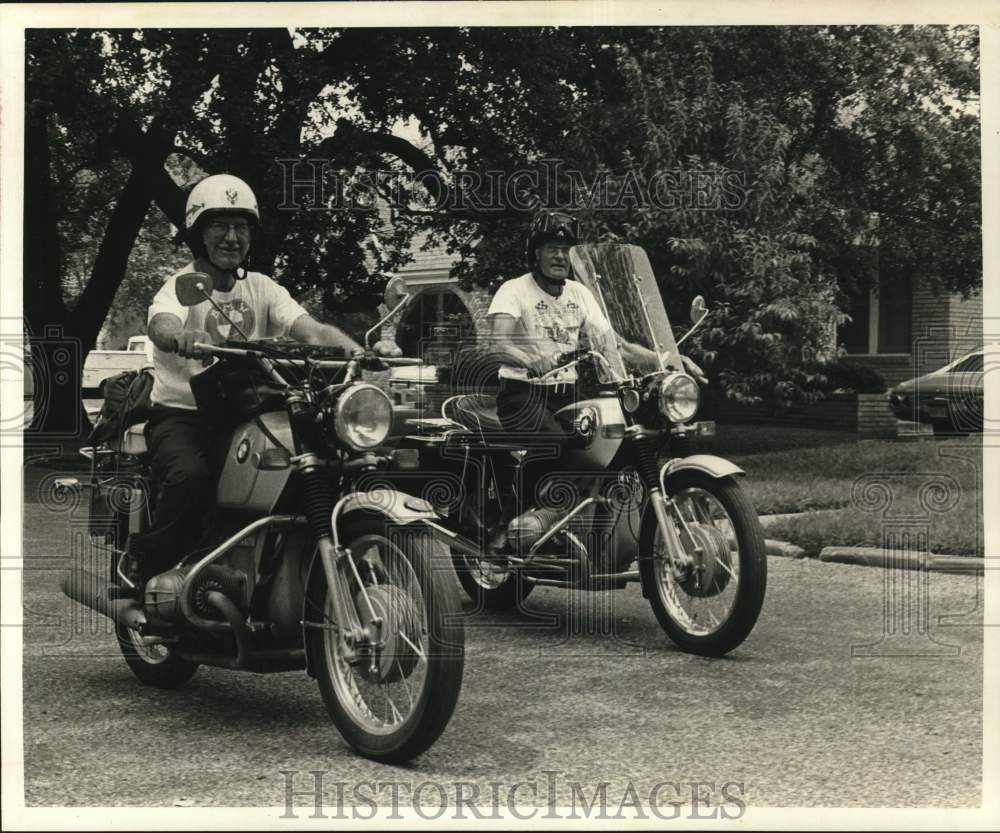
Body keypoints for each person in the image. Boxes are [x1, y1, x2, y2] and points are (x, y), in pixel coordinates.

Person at [125, 173, 361, 589]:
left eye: (242, 226)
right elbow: (162, 322)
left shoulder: (263, 288)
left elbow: (312, 329)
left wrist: (356, 352)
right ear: (199, 233)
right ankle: (146, 566)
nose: (232, 237)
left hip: (247, 413)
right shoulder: (179, 287)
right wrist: (182, 336)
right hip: (184, 416)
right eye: (220, 226)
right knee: (192, 476)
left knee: (316, 462)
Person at [486, 210, 629, 548]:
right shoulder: (514, 290)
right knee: (553, 442)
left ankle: (593, 530)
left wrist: (663, 359)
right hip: (523, 393)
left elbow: (613, 344)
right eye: (552, 247)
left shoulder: (579, 294)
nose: (560, 256)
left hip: (569, 394)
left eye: (566, 250)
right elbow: (499, 342)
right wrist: (528, 359)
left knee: (611, 443)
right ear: (535, 252)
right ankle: (507, 525)